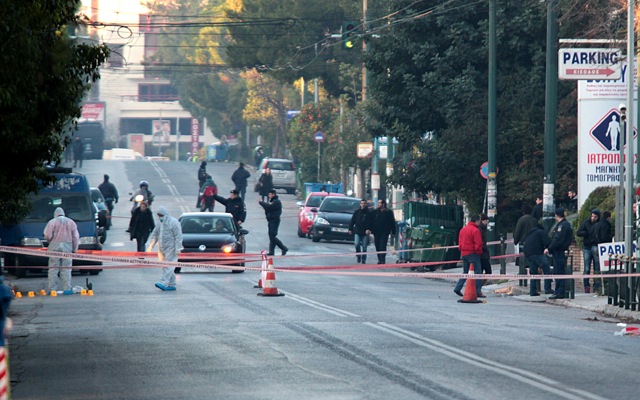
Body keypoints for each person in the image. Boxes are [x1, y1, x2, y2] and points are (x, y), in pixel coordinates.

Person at [43, 207, 79, 293]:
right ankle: (67, 289)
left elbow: (47, 235)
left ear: (55, 214)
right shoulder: (71, 222)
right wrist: (74, 248)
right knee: (66, 268)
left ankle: (52, 289)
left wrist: (50, 241)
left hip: (54, 246)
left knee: (53, 268)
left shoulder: (52, 222)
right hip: (67, 246)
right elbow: (76, 237)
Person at [147, 206, 183, 291]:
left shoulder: (173, 222)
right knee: (166, 266)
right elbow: (155, 235)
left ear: (165, 214)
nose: (160, 217)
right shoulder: (159, 223)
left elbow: (178, 236)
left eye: (161, 215)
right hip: (162, 248)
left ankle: (164, 282)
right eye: (158, 215)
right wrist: (150, 246)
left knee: (168, 265)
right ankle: (172, 284)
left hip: (172, 248)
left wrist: (178, 248)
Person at [544, 208, 574, 300]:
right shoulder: (564, 224)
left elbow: (557, 240)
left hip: (559, 251)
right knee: (558, 271)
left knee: (559, 271)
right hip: (559, 251)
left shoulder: (562, 226)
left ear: (556, 215)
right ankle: (558, 291)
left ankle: (560, 292)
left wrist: (549, 248)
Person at [453, 215, 484, 298]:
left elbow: (460, 242)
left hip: (464, 253)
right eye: (479, 221)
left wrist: (462, 250)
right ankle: (478, 291)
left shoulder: (463, 229)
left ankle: (458, 288)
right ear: (477, 221)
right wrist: (479, 252)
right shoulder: (476, 230)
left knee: (465, 272)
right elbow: (478, 243)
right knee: (478, 272)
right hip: (473, 253)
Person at [523, 223, 553, 296]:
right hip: (536, 253)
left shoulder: (531, 234)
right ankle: (547, 288)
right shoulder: (541, 232)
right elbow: (547, 243)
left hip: (528, 253)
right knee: (546, 268)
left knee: (533, 272)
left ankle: (533, 291)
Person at [577, 209, 601, 293]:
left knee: (596, 267)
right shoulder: (586, 223)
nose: (593, 218)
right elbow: (578, 232)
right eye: (592, 216)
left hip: (595, 246)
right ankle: (586, 285)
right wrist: (586, 233)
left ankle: (596, 286)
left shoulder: (599, 224)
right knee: (587, 268)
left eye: (595, 217)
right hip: (587, 247)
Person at [259, 190, 289, 256]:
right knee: (271, 236)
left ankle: (283, 248)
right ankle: (271, 251)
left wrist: (261, 203)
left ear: (273, 194)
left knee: (272, 236)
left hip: (274, 220)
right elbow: (268, 209)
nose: (269, 196)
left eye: (270, 194)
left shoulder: (276, 202)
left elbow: (269, 207)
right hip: (270, 220)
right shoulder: (272, 201)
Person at [513, 204, 538, 275]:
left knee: (523, 259)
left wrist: (516, 241)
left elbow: (518, 231)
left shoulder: (521, 220)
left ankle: (522, 274)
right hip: (533, 243)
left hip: (524, 242)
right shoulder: (534, 220)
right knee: (532, 261)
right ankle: (532, 273)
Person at [372, 199, 396, 264]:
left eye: (380, 203)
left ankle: (382, 259)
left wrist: (393, 232)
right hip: (376, 231)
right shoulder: (375, 212)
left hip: (385, 232)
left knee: (382, 245)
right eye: (378, 203)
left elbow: (392, 222)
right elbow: (371, 221)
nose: (378, 204)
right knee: (377, 245)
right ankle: (379, 258)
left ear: (383, 204)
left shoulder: (389, 212)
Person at [349, 199, 374, 264]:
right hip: (357, 231)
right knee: (356, 244)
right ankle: (358, 255)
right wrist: (350, 229)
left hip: (365, 232)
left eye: (364, 203)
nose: (363, 204)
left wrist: (369, 229)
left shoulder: (369, 213)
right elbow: (352, 221)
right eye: (362, 203)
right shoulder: (357, 212)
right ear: (360, 204)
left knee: (364, 246)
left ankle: (363, 259)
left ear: (366, 205)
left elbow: (371, 223)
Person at [478, 213, 492, 287]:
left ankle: (478, 287)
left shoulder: (482, 229)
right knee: (487, 271)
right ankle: (478, 287)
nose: (486, 223)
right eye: (486, 221)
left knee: (482, 271)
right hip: (482, 254)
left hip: (482, 253)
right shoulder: (480, 230)